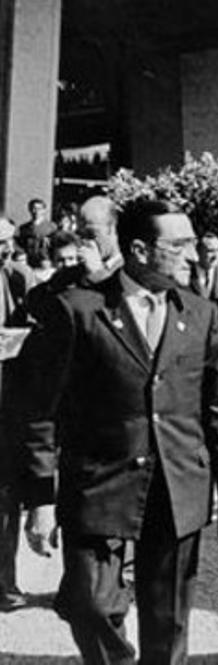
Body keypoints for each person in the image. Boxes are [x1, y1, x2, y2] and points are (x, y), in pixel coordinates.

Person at [19, 199, 218, 663]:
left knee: (169, 620)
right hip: (98, 484)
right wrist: (41, 498)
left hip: (178, 484)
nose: (193, 255)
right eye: (179, 245)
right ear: (140, 250)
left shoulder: (201, 314)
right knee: (89, 605)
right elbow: (38, 412)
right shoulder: (77, 310)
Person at [0, 219, 27, 612]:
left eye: (8, 242)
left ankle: (5, 582)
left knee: (7, 496)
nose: (5, 250)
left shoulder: (17, 277)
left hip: (8, 403)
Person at [16, 198, 56, 267]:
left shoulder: (52, 227)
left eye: (39, 209)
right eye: (34, 208)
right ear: (29, 210)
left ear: (44, 210)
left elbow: (56, 247)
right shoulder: (24, 228)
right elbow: (19, 245)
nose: (36, 211)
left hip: (45, 263)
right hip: (28, 263)